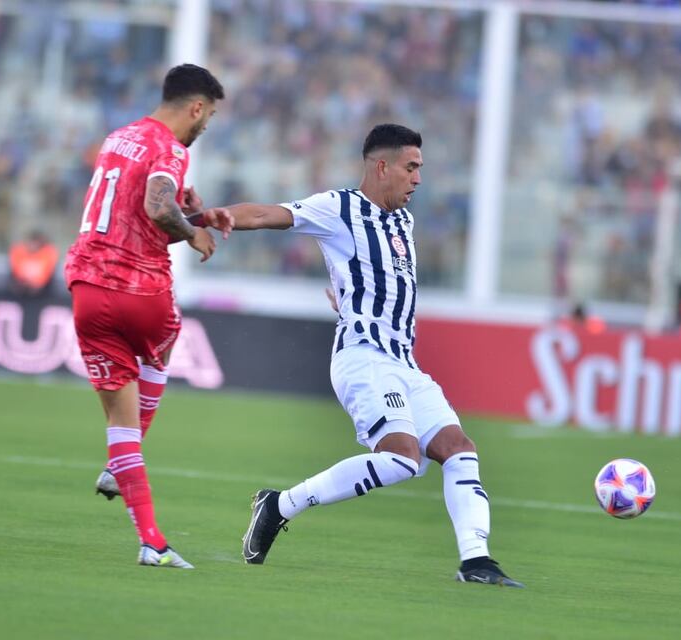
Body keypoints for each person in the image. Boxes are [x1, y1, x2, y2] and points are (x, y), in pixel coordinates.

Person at [226, 123, 524, 587]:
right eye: (411, 167)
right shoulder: (338, 207)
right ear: (382, 166)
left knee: (459, 450)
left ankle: (476, 562)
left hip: (404, 362)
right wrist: (210, 217)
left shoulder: (404, 222)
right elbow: (268, 214)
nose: (418, 179)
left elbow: (375, 277)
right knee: (402, 458)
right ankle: (281, 505)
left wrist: (347, 295)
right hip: (363, 357)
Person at [64, 63, 233, 569]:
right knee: (165, 340)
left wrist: (193, 212)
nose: (206, 126)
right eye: (209, 117)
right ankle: (123, 468)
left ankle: (152, 542)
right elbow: (159, 209)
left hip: (86, 288)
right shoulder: (171, 149)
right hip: (140, 289)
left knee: (119, 425)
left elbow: (132, 213)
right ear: (196, 108)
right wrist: (194, 230)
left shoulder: (118, 139)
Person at [8, 230, 59, 297]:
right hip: (20, 290)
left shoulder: (48, 253)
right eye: (32, 242)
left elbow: (46, 274)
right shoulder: (19, 252)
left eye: (36, 243)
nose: (33, 245)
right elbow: (15, 271)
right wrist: (23, 283)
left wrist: (36, 284)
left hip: (42, 292)